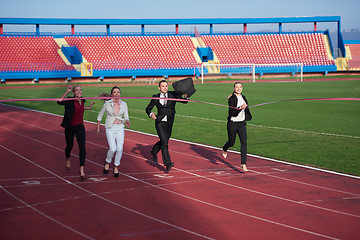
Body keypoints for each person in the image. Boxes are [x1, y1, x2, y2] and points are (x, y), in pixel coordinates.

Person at [145, 80, 188, 172]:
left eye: (166, 86)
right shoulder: (155, 97)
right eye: (163, 86)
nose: (165, 88)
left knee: (164, 140)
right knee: (164, 143)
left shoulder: (173, 94)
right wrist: (151, 114)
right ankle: (168, 163)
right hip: (159, 122)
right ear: (159, 88)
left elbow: (184, 101)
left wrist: (186, 97)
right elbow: (148, 109)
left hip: (169, 122)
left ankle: (154, 151)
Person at [57, 85, 95, 180]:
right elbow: (59, 101)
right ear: (73, 92)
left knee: (82, 146)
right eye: (76, 90)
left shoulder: (83, 100)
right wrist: (67, 92)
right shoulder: (69, 100)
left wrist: (89, 108)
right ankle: (67, 158)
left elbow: (80, 108)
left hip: (79, 126)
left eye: (80, 90)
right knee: (69, 145)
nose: (79, 92)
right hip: (70, 127)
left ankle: (81, 169)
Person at [96, 86, 131, 177]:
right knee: (113, 148)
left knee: (119, 149)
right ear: (111, 94)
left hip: (120, 128)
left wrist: (126, 121)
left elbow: (126, 116)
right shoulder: (107, 104)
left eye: (118, 92)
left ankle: (116, 166)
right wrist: (98, 126)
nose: (116, 94)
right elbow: (100, 114)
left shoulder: (124, 104)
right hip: (110, 128)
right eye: (114, 92)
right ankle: (107, 162)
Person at [222, 82, 252, 172]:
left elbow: (246, 108)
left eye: (240, 87)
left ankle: (243, 164)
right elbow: (232, 113)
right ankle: (225, 148)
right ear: (234, 88)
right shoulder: (231, 99)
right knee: (231, 142)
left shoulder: (243, 97)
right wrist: (240, 108)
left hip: (241, 124)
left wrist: (245, 108)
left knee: (244, 142)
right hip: (233, 123)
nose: (239, 89)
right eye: (236, 87)